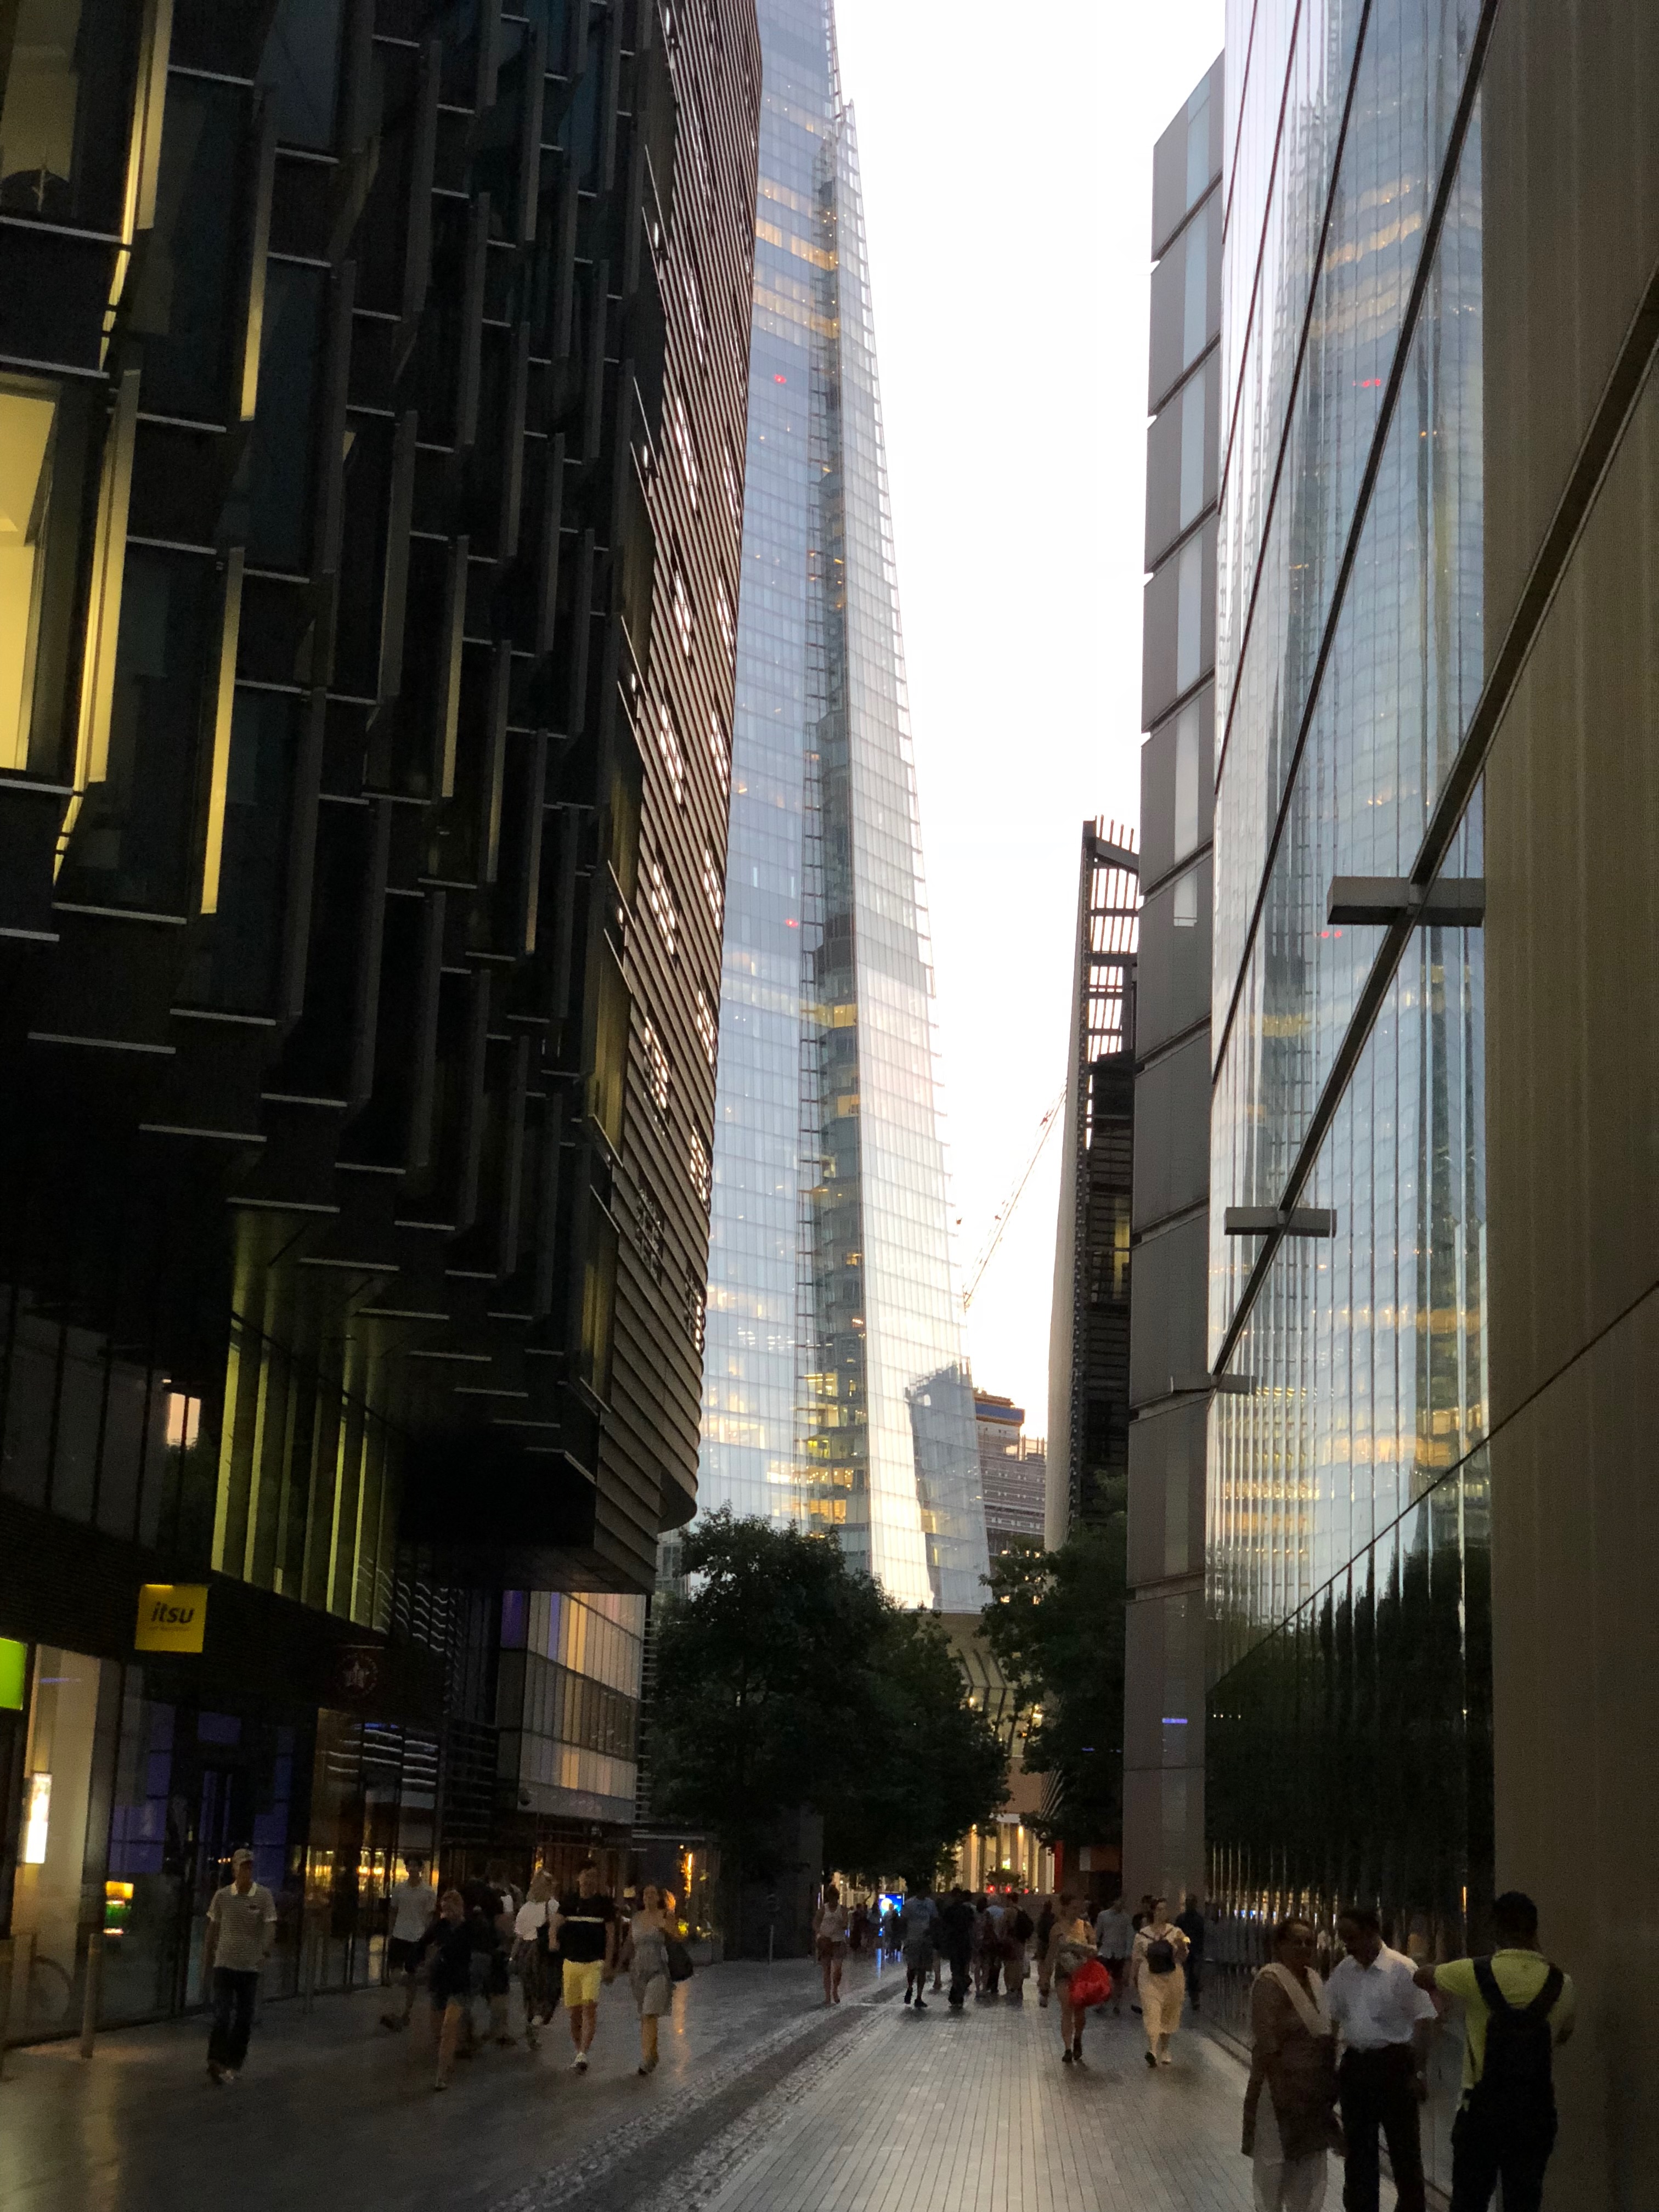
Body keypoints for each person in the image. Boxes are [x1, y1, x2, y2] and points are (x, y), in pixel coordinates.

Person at [1412, 1891, 1575, 2212]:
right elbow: (1564, 2035)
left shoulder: (1473, 1972)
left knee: (1469, 2202)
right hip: (1535, 2115)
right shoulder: (1563, 1984)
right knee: (1524, 2203)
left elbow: (1421, 1976)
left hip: (1480, 2114)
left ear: (1497, 1930)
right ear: (1535, 1928)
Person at [1327, 1904, 1435, 2212]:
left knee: (1404, 2152)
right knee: (1359, 2152)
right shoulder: (1344, 1971)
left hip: (1394, 2066)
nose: (1347, 1945)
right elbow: (1333, 2017)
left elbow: (1424, 2019)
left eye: (1352, 1937)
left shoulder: (1402, 1969)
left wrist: (1418, 2071)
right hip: (1357, 2066)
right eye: (1343, 1939)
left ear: (1371, 1932)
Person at [1244, 1916, 1341, 2212]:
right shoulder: (1270, 1982)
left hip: (1313, 2093)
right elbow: (1267, 2042)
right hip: (1279, 2090)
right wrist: (1286, 2094)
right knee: (1274, 2165)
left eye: (1309, 1942)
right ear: (1279, 1946)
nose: (1304, 1947)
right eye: (1296, 1941)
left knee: (1311, 2168)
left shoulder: (1315, 1980)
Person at [204, 1847, 277, 2084]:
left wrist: (265, 1950)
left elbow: (270, 1925)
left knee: (244, 2017)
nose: (246, 1871)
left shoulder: (263, 1896)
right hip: (224, 1963)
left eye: (249, 1867)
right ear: (234, 1869)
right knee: (222, 2014)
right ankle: (216, 2060)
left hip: (248, 1967)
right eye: (242, 1867)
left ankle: (234, 2061)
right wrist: (208, 1958)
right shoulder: (223, 1896)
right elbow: (213, 1928)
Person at [552, 1860, 618, 2072]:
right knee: (574, 2011)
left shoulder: (604, 1904)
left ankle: (583, 2053)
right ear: (578, 1878)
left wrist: (609, 1963)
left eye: (594, 1876)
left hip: (594, 1962)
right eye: (586, 1875)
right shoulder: (569, 1901)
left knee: (589, 2006)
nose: (589, 1880)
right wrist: (553, 1939)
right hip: (571, 1961)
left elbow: (611, 1935)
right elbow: (556, 1921)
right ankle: (578, 2049)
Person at [423, 1888, 476, 2091]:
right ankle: (447, 2060)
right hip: (441, 1980)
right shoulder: (440, 1926)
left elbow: (480, 1949)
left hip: (459, 1982)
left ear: (459, 1908)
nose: (446, 1913)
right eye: (443, 1909)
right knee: (438, 2030)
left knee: (449, 2026)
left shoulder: (469, 1928)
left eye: (450, 1909)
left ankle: (441, 2074)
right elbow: (423, 1943)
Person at [621, 1883, 674, 2075]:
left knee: (650, 2013)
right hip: (638, 1972)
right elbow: (629, 1943)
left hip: (658, 1970)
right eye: (646, 1894)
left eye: (652, 1894)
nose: (649, 1897)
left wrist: (665, 1926)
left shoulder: (665, 1915)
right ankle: (652, 2053)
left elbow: (677, 1935)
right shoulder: (636, 1918)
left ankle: (646, 2059)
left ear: (658, 1897)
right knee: (645, 2014)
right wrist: (617, 1966)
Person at [1132, 1897, 1191, 2067]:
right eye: (1159, 1909)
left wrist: (1181, 1946)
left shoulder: (1176, 1932)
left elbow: (1183, 1956)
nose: (1162, 1913)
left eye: (1165, 1909)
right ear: (1153, 1912)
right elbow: (1136, 1958)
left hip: (1172, 1977)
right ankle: (1152, 2049)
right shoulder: (1142, 1935)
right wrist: (1132, 1977)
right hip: (1149, 1977)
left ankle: (1165, 2048)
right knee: (1152, 2011)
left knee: (1169, 2012)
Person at [381, 1856, 437, 2032]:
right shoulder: (399, 1889)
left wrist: (427, 1940)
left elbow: (429, 1917)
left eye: (415, 1866)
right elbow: (393, 1911)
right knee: (395, 1973)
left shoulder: (428, 1892)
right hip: (400, 1935)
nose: (412, 1869)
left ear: (420, 1869)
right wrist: (391, 1931)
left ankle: (406, 2012)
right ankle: (396, 2010)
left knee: (411, 1976)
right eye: (409, 1866)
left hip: (417, 1937)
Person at [1046, 1894, 1096, 2063]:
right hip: (1064, 1973)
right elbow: (1051, 1953)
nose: (1076, 1911)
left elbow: (1094, 1949)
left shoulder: (1086, 1927)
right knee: (1067, 2008)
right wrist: (1045, 1977)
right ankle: (1067, 2048)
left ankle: (1078, 2038)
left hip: (1082, 1973)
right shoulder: (1057, 1929)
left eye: (1078, 1908)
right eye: (1073, 1908)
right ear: (1065, 1908)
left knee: (1080, 2011)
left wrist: (1087, 1951)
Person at [512, 1871, 556, 2046]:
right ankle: (537, 2021)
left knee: (530, 1993)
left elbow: (519, 1936)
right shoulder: (552, 1905)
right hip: (543, 1952)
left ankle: (531, 2028)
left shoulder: (525, 1908)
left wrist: (512, 1958)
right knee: (549, 1990)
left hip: (525, 1952)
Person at [1094, 1894, 1133, 2018]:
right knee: (1103, 1978)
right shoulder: (1103, 1916)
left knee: (1118, 1980)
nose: (1121, 1904)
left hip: (1119, 1953)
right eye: (1119, 1901)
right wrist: (1093, 1947)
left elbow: (1129, 1935)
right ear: (1114, 1901)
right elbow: (1098, 1932)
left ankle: (1117, 2004)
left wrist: (1128, 1952)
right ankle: (1102, 2001)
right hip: (1105, 1951)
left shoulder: (1126, 1918)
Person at [900, 1882, 938, 2009]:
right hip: (913, 1939)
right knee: (912, 1967)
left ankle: (919, 1996)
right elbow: (903, 1920)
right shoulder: (910, 1904)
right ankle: (910, 1987)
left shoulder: (930, 1904)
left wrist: (931, 1931)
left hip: (925, 1941)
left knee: (922, 1969)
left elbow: (934, 1919)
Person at [939, 1886, 977, 2009]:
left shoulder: (950, 1910)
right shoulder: (967, 1910)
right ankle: (958, 1993)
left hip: (954, 1943)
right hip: (964, 1943)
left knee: (956, 1971)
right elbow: (972, 1926)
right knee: (962, 1970)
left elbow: (944, 1927)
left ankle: (957, 1993)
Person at [812, 1883, 850, 2005]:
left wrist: (844, 1924)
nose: (833, 1899)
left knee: (838, 1970)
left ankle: (835, 1990)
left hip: (838, 1941)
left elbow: (846, 1923)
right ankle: (828, 1996)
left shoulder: (842, 1909)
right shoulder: (823, 1910)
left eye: (834, 1897)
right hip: (825, 1941)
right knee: (826, 1970)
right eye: (831, 1897)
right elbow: (816, 1923)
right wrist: (819, 1934)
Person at [1176, 1893, 1208, 2013]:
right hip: (1187, 1950)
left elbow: (1202, 1936)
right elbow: (1178, 1934)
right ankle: (1191, 1997)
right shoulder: (1182, 1919)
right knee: (1187, 1975)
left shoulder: (1199, 1920)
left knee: (1194, 1976)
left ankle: (1194, 1997)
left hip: (1195, 1951)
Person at [1005, 1897, 1034, 1999]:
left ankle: (1011, 1986)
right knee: (1020, 1962)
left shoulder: (1008, 1911)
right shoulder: (1022, 1910)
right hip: (1021, 1940)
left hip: (1011, 1940)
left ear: (1010, 1900)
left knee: (1010, 1963)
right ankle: (1019, 1986)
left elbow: (1003, 1925)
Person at [1035, 1895, 1057, 2006]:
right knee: (1049, 1962)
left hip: (1042, 1942)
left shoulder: (1041, 1917)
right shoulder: (1053, 1918)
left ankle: (1042, 1979)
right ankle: (1047, 1979)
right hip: (1051, 1942)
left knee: (1041, 1962)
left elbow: (1038, 1929)